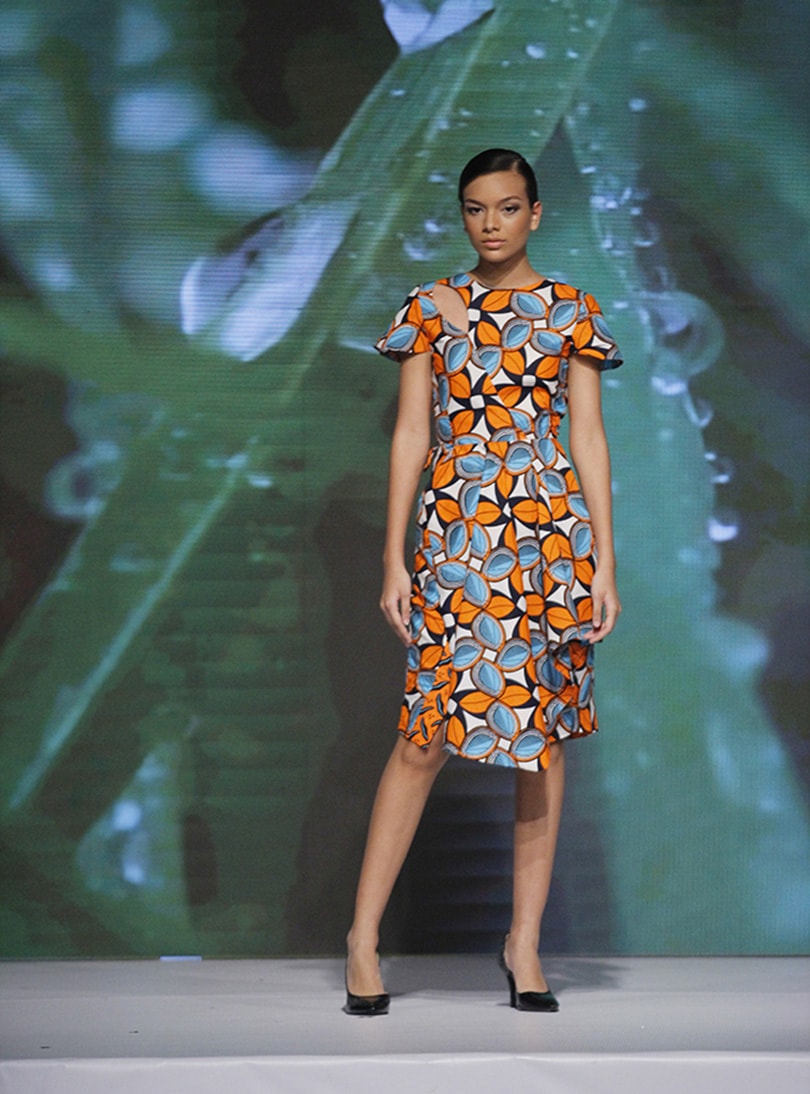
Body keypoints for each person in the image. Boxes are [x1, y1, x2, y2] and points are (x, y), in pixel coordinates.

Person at [344, 148, 622, 1016]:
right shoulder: (430, 307)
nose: (490, 223)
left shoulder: (571, 309)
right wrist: (393, 556)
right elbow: (410, 435)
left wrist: (605, 563)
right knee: (424, 736)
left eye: (506, 207)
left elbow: (587, 439)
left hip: (550, 542)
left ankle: (523, 943)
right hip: (458, 536)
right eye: (475, 208)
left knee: (541, 740)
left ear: (535, 213)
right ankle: (361, 940)